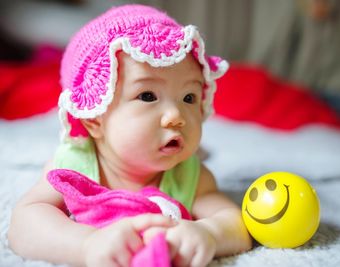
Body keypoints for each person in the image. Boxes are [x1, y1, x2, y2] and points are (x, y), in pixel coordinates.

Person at [7, 4, 252, 267]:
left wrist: (210, 233)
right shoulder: (75, 165)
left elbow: (234, 220)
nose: (176, 115)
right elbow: (25, 222)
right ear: (93, 118)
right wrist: (87, 244)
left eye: (189, 97)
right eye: (147, 96)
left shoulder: (188, 174)